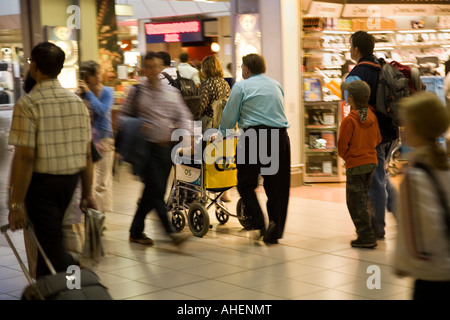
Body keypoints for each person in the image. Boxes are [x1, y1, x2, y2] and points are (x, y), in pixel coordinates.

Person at [7, 42, 96, 278]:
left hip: (41, 187)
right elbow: (87, 154)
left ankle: (81, 288)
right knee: (56, 245)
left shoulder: (27, 104)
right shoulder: (78, 103)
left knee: (49, 249)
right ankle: (58, 288)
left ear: (34, 66)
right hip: (70, 184)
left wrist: (16, 204)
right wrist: (88, 193)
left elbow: (25, 157)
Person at [120, 51, 193, 246]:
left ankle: (135, 231)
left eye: (156, 66)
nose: (152, 70)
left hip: (166, 149)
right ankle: (170, 232)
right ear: (143, 68)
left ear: (161, 67)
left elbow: (183, 115)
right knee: (156, 189)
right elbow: (122, 117)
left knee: (152, 191)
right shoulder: (137, 92)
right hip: (146, 149)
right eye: (148, 67)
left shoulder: (172, 92)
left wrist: (187, 136)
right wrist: (137, 123)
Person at [219, 53, 291, 244]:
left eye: (242, 66)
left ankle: (259, 222)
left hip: (254, 136)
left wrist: (222, 134)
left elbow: (229, 116)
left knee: (245, 183)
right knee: (277, 187)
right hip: (279, 136)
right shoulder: (275, 84)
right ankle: (275, 230)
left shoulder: (241, 86)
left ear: (247, 69)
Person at [394, 92, 450, 300]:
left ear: (417, 127)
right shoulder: (443, 164)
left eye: (406, 122)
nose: (403, 127)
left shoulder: (413, 175)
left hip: (431, 274)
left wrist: (403, 263)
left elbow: (412, 230)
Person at [344, 31, 399, 239]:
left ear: (356, 49)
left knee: (376, 181)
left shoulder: (358, 72)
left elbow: (355, 105)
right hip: (391, 131)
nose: (350, 49)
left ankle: (378, 228)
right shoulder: (383, 66)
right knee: (381, 176)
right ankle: (401, 214)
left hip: (374, 136)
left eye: (350, 46)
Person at [338, 80, 381, 248]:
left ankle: (366, 235)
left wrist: (348, 157)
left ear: (352, 99)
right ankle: (373, 229)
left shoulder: (350, 120)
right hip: (371, 162)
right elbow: (378, 139)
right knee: (365, 198)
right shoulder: (372, 116)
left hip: (355, 165)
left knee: (355, 201)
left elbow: (342, 146)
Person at [78, 60, 115, 215]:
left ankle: (101, 216)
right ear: (87, 77)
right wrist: (82, 95)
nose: (98, 77)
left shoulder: (107, 92)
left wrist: (89, 94)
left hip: (105, 139)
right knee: (89, 182)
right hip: (88, 141)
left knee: (103, 181)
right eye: (95, 74)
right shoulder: (80, 93)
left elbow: (102, 111)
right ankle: (93, 215)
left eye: (99, 73)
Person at [198, 55, 231, 201]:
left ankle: (201, 188)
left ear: (206, 68)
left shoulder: (206, 84)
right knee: (222, 157)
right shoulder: (225, 84)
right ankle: (225, 191)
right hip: (223, 127)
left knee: (202, 157)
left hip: (208, 127)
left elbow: (201, 107)